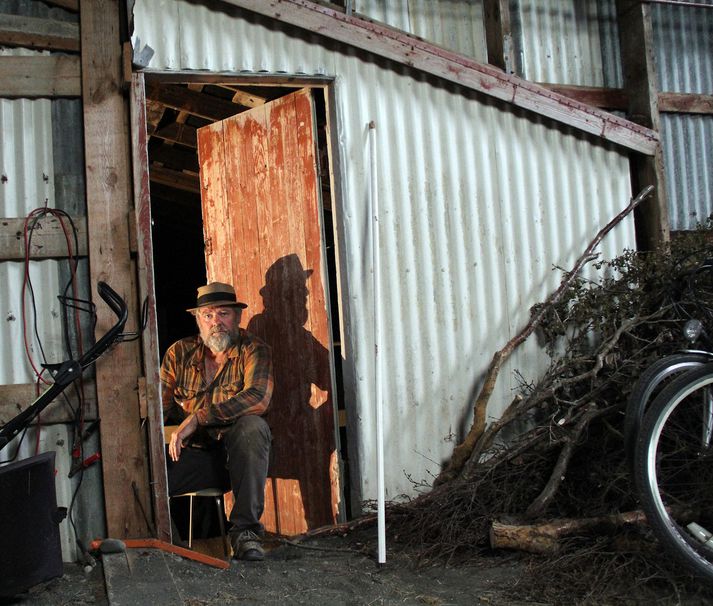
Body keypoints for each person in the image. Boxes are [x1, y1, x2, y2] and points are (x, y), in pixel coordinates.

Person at [160, 282, 273, 561]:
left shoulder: (253, 350)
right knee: (148, 467)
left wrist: (198, 417)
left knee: (252, 427)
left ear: (237, 317)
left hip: (239, 458)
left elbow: (258, 397)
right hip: (195, 457)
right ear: (198, 319)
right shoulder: (179, 353)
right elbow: (157, 407)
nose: (215, 323)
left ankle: (245, 533)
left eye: (223, 314)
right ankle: (166, 543)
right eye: (208, 316)